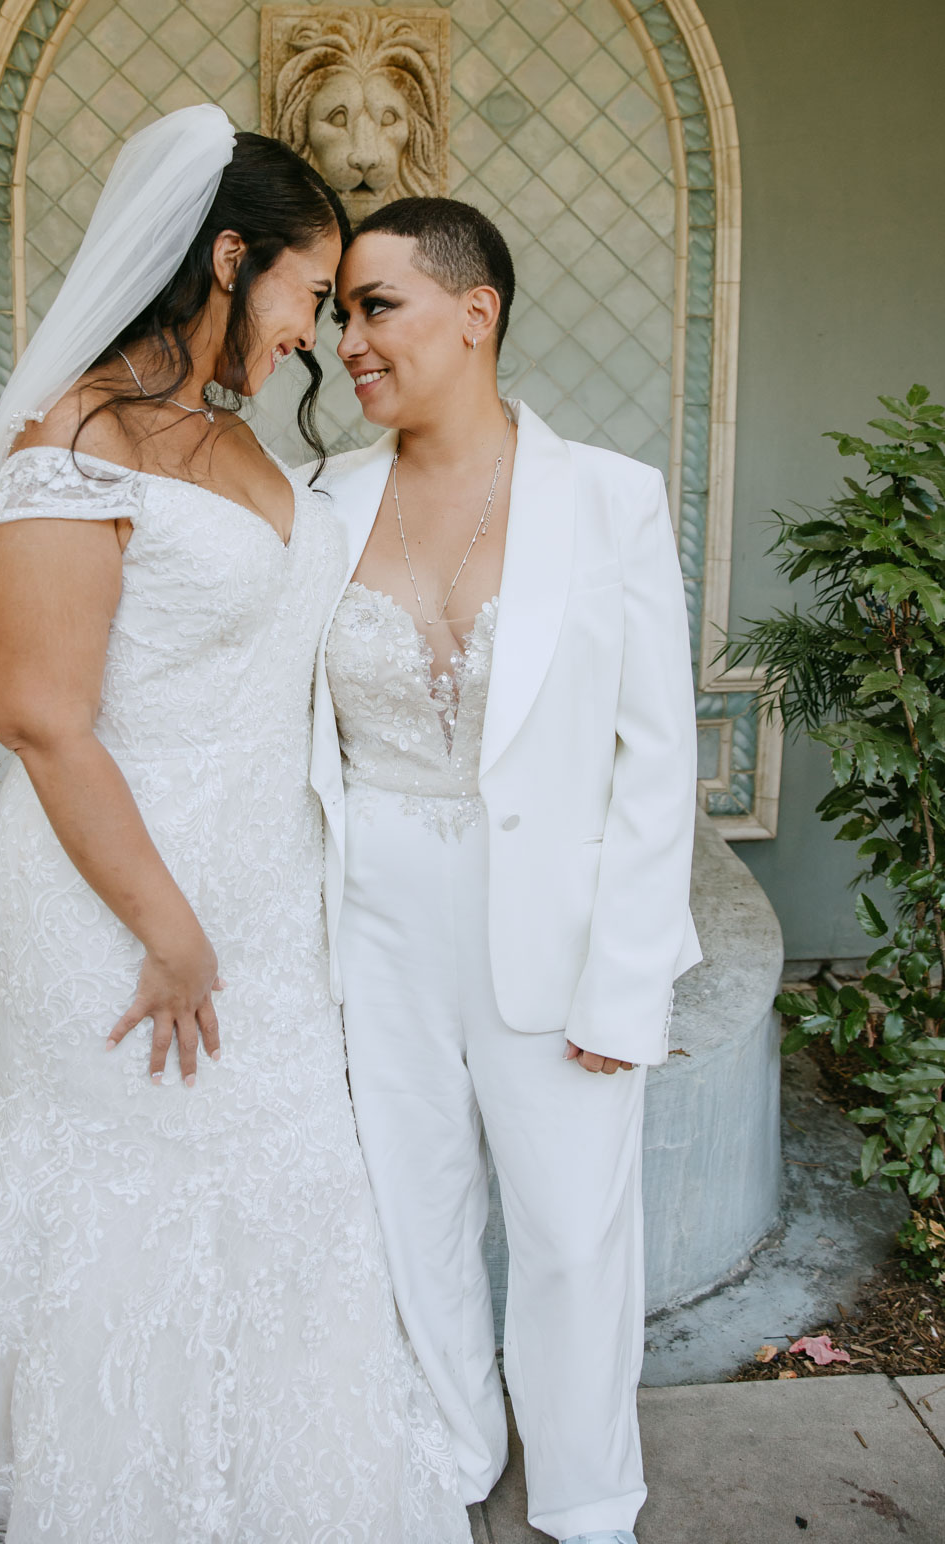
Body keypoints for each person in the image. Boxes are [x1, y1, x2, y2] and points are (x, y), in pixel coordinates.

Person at [0, 109, 470, 1544]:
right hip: (122, 900)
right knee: (131, 1193)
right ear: (230, 258)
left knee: (279, 1184)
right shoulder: (70, 446)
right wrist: (170, 930)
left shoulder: (234, 437)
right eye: (308, 293)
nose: (317, 335)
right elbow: (41, 719)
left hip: (268, 887)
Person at [312, 196, 700, 1543]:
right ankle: (454, 1447)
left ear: (475, 312)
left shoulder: (609, 497)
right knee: (410, 1210)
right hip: (373, 921)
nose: (349, 341)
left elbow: (656, 758)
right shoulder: (319, 500)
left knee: (575, 1231)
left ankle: (588, 1491)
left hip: (557, 923)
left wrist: (627, 982)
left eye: (377, 307)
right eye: (340, 314)